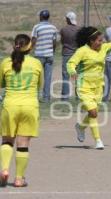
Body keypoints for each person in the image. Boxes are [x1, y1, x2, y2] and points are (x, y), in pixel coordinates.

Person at [67, 26, 111, 149]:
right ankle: (98, 141)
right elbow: (71, 63)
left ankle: (80, 127)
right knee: (93, 113)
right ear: (91, 41)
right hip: (84, 87)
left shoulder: (103, 48)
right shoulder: (82, 51)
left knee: (93, 113)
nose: (102, 42)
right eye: (99, 40)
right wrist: (72, 71)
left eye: (102, 40)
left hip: (98, 87)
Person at [0, 34, 44, 187]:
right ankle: (19, 179)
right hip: (30, 106)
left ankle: (5, 170)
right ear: (29, 47)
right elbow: (40, 86)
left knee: (6, 140)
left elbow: (1, 84)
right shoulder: (37, 63)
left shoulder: (6, 62)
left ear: (14, 45)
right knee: (23, 144)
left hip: (10, 105)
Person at [31, 9, 57, 103]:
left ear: (41, 17)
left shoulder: (36, 27)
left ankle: (35, 97)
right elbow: (54, 42)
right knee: (48, 77)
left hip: (39, 54)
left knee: (36, 76)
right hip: (49, 55)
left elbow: (33, 40)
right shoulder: (53, 28)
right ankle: (46, 98)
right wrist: (52, 52)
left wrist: (29, 50)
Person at [60, 11, 80, 101]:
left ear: (68, 19)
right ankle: (79, 96)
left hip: (66, 54)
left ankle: (65, 97)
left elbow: (62, 41)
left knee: (65, 76)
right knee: (78, 76)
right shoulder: (79, 29)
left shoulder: (63, 30)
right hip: (77, 55)